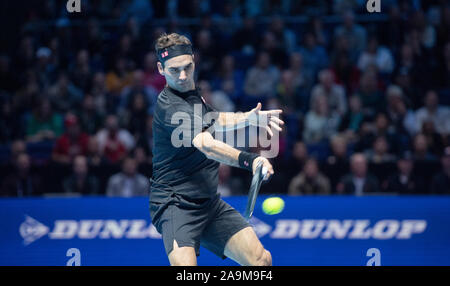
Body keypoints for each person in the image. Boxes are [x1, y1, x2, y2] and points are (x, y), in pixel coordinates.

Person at [150, 33, 284, 266]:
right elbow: (206, 145)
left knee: (261, 262)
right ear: (161, 69)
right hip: (175, 204)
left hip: (208, 202)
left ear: (193, 60)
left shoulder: (192, 94)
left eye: (187, 67)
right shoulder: (169, 106)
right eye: (174, 70)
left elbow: (213, 119)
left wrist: (247, 118)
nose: (182, 76)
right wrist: (250, 160)